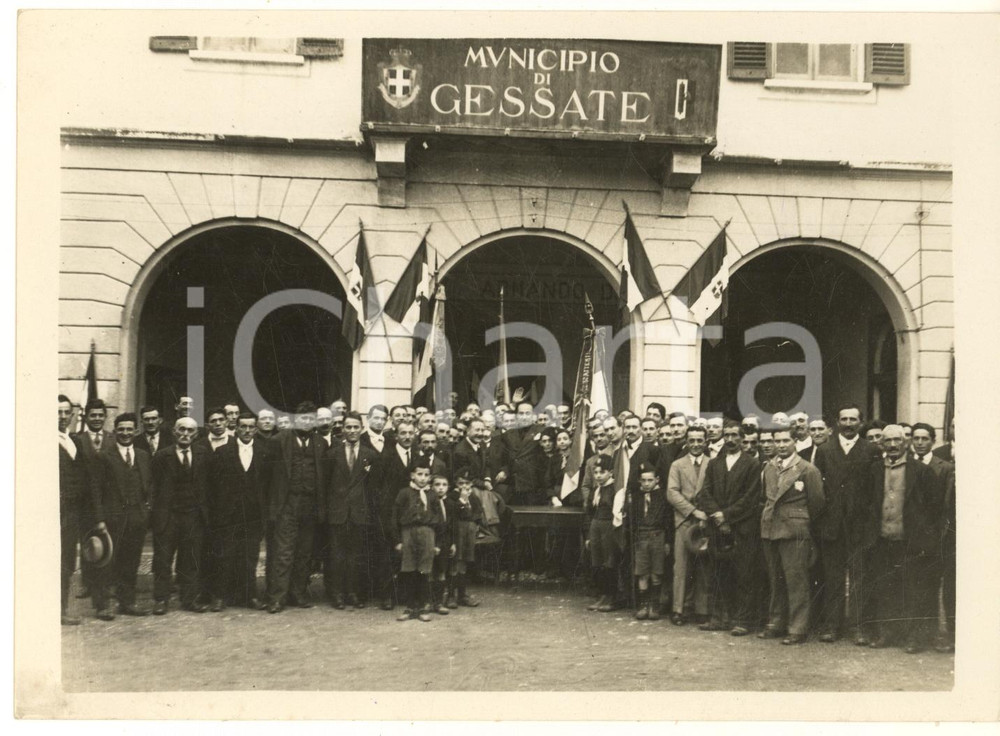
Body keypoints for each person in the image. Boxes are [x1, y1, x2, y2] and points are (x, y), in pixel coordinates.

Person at [862, 425, 941, 653]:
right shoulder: (874, 470)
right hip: (882, 541)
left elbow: (934, 510)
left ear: (905, 442)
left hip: (911, 543)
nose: (893, 445)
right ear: (882, 445)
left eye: (898, 440)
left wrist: (926, 539)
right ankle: (888, 633)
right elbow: (867, 504)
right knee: (886, 588)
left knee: (913, 590)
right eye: (888, 441)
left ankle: (914, 637)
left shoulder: (922, 471)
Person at [811, 405, 883, 644]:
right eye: (844, 419)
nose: (849, 423)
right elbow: (817, 490)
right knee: (832, 578)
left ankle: (859, 627)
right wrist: (822, 520)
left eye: (853, 419)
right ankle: (832, 626)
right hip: (831, 526)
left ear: (861, 423)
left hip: (860, 526)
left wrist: (870, 523)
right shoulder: (824, 450)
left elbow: (875, 491)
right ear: (837, 422)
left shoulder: (871, 450)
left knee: (860, 579)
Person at [696, 420, 763, 636]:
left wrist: (726, 516)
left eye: (735, 435)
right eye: (727, 435)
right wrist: (717, 515)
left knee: (744, 575)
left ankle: (742, 620)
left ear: (742, 437)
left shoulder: (752, 464)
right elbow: (704, 493)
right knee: (718, 573)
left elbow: (751, 497)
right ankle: (718, 617)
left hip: (742, 527)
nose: (731, 439)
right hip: (717, 528)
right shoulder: (715, 463)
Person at [758, 428, 824, 645]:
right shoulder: (768, 467)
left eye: (786, 440)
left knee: (796, 581)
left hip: (795, 530)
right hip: (771, 528)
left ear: (795, 442)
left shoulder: (807, 469)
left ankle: (798, 627)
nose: (781, 445)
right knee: (775, 579)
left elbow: (816, 504)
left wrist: (804, 526)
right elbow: (766, 497)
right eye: (777, 441)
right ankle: (776, 622)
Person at [265, 402, 327, 613]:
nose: (307, 422)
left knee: (304, 552)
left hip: (310, 504)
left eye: (311, 419)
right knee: (284, 552)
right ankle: (276, 597)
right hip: (287, 503)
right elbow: (269, 476)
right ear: (295, 420)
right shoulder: (278, 441)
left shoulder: (320, 443)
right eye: (303, 418)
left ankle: (297, 594)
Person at [207, 411, 271, 611]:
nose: (247, 430)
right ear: (235, 427)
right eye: (243, 426)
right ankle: (220, 596)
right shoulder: (223, 451)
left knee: (249, 556)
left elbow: (268, 486)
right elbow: (214, 486)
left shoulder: (265, 451)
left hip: (253, 515)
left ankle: (249, 595)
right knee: (225, 554)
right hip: (228, 515)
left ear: (256, 428)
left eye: (251, 426)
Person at [92, 412, 153, 620]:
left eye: (129, 429)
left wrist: (146, 512)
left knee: (131, 561)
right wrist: (99, 519)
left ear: (136, 431)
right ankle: (102, 606)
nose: (126, 433)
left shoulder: (143, 456)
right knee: (107, 562)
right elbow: (97, 490)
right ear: (115, 431)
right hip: (112, 518)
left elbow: (148, 486)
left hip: (137, 517)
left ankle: (126, 602)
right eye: (121, 429)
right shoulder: (104, 456)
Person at [150, 417, 212, 614]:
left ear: (196, 435)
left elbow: (209, 485)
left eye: (190, 431)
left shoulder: (203, 454)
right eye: (182, 430)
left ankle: (189, 599)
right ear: (174, 432)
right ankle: (161, 600)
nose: (186, 434)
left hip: (193, 515)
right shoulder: (162, 456)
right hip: (168, 516)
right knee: (163, 559)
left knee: (191, 559)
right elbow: (153, 487)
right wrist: (156, 515)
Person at [909, 422, 956, 652]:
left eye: (924, 439)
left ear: (933, 441)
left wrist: (938, 536)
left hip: (934, 537)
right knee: (912, 587)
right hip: (909, 536)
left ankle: (931, 635)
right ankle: (914, 636)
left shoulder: (944, 468)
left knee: (930, 587)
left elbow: (945, 506)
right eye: (916, 438)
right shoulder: (905, 464)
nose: (919, 443)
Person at [325, 411, 379, 609]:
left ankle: (352, 592)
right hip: (338, 512)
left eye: (356, 427)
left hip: (359, 512)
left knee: (356, 555)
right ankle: (336, 594)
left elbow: (372, 489)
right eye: (348, 427)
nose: (352, 431)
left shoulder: (370, 455)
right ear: (343, 430)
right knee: (337, 555)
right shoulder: (332, 454)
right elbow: (326, 484)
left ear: (362, 429)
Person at [58, 395, 102, 625]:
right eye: (58, 412)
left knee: (66, 561)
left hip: (74, 514)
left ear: (73, 415)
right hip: (56, 513)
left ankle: (61, 609)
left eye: (67, 412)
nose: (63, 417)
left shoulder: (72, 440)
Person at [666, 426, 712, 626]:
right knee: (681, 567)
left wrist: (706, 513)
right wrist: (693, 511)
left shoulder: (713, 464)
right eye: (691, 440)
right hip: (685, 521)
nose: (695, 444)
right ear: (686, 441)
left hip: (706, 522)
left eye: (699, 440)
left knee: (704, 566)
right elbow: (672, 493)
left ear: (706, 441)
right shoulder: (677, 465)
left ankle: (702, 609)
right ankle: (679, 609)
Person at [392, 456, 440, 622]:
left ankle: (424, 605)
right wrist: (398, 540)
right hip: (408, 533)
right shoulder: (404, 493)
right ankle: (410, 606)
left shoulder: (432, 495)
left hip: (427, 533)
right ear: (412, 475)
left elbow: (440, 519)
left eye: (426, 475)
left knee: (424, 570)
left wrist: (437, 543)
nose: (423, 478)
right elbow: (395, 517)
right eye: (419, 474)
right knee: (410, 569)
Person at [625, 462, 671, 621]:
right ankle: (643, 605)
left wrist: (668, 542)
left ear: (657, 480)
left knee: (656, 573)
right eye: (643, 480)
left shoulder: (663, 497)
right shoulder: (636, 497)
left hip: (658, 536)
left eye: (650, 480)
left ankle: (654, 605)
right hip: (641, 538)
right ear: (639, 481)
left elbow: (669, 521)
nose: (646, 484)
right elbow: (632, 521)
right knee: (642, 572)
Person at [584, 454, 623, 612]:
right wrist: (589, 535)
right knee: (597, 561)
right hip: (596, 525)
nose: (598, 476)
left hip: (608, 526)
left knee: (609, 561)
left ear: (611, 473)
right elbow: (590, 511)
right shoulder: (596, 489)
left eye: (602, 472)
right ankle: (602, 595)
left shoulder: (615, 490)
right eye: (596, 472)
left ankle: (611, 597)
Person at [428, 474, 454, 615]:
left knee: (442, 571)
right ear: (432, 487)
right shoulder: (429, 503)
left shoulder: (450, 504)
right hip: (431, 541)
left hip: (445, 542)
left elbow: (453, 526)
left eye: (444, 485)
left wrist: (453, 543)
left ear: (448, 487)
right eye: (437, 485)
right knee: (430, 571)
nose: (440, 488)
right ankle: (428, 601)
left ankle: (439, 602)